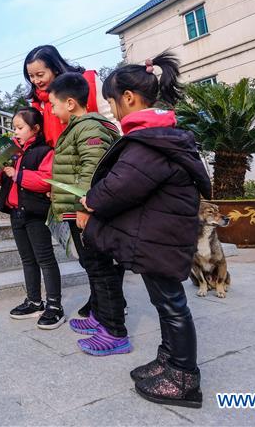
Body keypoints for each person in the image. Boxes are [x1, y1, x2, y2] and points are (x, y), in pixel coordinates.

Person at [79, 52, 211, 408]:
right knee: (165, 302)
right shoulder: (157, 135)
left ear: (129, 98)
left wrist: (91, 203)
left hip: (162, 238)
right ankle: (168, 361)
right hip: (160, 235)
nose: (112, 110)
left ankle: (184, 379)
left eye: (111, 101)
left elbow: (119, 187)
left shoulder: (149, 140)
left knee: (172, 305)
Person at [44, 72, 125, 355]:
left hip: (87, 212)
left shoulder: (88, 127)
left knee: (102, 270)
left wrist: (82, 207)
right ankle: (100, 318)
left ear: (69, 103)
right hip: (77, 211)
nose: (52, 112)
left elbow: (93, 170)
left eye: (53, 105)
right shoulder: (77, 127)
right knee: (93, 267)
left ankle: (115, 331)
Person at [0, 107, 63, 329]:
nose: (16, 132)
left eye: (20, 128)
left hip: (35, 213)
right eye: (14, 128)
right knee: (27, 259)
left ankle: (54, 305)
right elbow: (3, 181)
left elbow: (47, 180)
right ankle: (33, 300)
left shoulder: (44, 151)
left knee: (45, 259)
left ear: (36, 128)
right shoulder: (12, 151)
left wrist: (17, 174)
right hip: (16, 212)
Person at [24, 45, 112, 148]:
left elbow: (110, 119)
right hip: (61, 159)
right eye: (31, 76)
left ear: (55, 69)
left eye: (40, 74)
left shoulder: (88, 82)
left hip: (96, 149)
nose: (36, 81)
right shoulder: (38, 103)